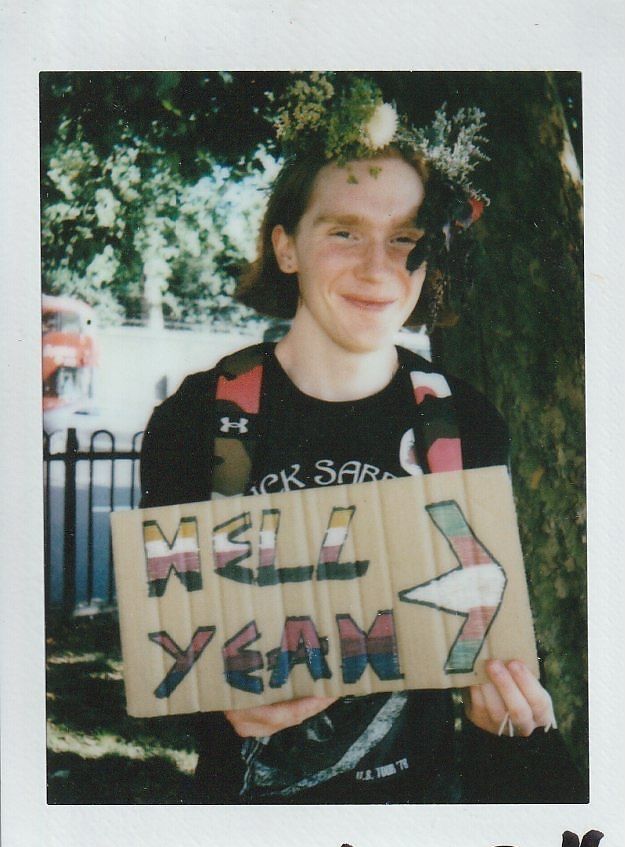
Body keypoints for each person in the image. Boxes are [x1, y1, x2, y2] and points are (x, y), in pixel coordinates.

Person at [140, 74, 585, 804]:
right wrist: (213, 701)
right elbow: (174, 637)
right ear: (286, 246)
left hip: (415, 827)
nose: (377, 268)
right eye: (343, 231)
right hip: (249, 829)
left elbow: (486, 623)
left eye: (404, 238)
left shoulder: (461, 421)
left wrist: (498, 708)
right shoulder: (198, 419)